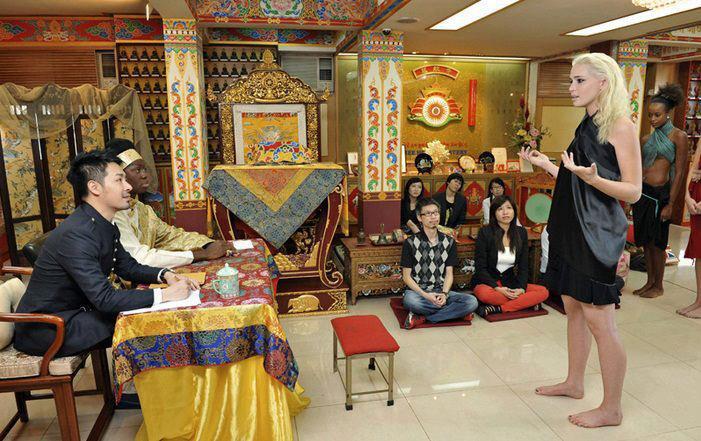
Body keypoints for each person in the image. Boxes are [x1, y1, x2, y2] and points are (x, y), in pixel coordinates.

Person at [519, 53, 641, 428]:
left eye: (579, 81)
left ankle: (612, 408)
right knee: (572, 307)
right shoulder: (588, 122)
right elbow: (578, 179)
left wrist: (595, 179)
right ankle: (574, 383)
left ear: (603, 83)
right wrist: (548, 166)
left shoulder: (620, 125)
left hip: (596, 233)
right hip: (571, 228)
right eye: (571, 81)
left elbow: (633, 190)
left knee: (601, 322)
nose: (571, 88)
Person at [14, 150, 198, 357]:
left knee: (151, 315)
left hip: (79, 311)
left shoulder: (102, 223)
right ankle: (142, 378)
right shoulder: (76, 234)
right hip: (48, 327)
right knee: (147, 323)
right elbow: (105, 299)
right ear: (94, 187)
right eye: (119, 180)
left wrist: (166, 275)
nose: (128, 187)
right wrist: (165, 294)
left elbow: (128, 267)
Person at [106, 138, 233, 268]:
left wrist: (206, 244)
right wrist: (203, 254)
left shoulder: (143, 209)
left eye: (145, 169)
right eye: (137, 170)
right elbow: (139, 258)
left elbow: (169, 236)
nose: (144, 175)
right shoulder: (112, 213)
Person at [632, 84, 688, 298]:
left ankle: (659, 286)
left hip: (661, 195)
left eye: (657, 115)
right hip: (643, 194)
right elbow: (639, 168)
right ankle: (649, 282)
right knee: (645, 242)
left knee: (658, 243)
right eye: (650, 115)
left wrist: (671, 203)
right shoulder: (645, 139)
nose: (653, 119)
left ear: (667, 114)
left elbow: (680, 172)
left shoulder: (678, 136)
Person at [400, 198, 478, 329]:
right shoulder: (410, 242)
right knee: (410, 301)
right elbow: (406, 277)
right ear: (419, 217)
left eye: (435, 213)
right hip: (419, 292)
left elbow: (449, 273)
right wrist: (426, 295)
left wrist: (444, 294)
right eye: (428, 214)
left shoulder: (449, 241)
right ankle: (453, 313)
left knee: (471, 302)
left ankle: (424, 317)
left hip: (440, 290)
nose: (433, 217)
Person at [472, 195, 548, 316]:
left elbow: (523, 266)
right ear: (494, 213)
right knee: (487, 296)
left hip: (510, 283)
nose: (505, 212)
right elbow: (480, 268)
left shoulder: (521, 233)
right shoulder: (485, 232)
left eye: (509, 208)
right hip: (487, 283)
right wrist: (497, 288)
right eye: (500, 209)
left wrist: (521, 289)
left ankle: (498, 309)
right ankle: (526, 303)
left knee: (543, 292)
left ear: (514, 211)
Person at [680, 139, 701, 318]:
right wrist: (687, 195)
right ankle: (699, 300)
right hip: (697, 196)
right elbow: (693, 165)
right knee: (698, 251)